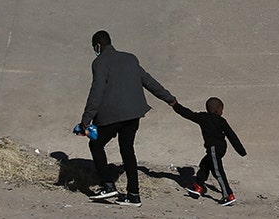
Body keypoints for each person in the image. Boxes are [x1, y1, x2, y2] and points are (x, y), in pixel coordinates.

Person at [77, 30, 176, 208]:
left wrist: (86, 120)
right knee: (128, 150)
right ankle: (133, 195)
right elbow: (148, 80)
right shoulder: (130, 58)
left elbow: (97, 91)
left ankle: (108, 185)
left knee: (96, 144)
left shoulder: (99, 62)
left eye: (94, 47)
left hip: (112, 114)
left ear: (97, 46)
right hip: (134, 114)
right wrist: (169, 98)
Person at [172, 96, 247, 206]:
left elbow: (188, 114)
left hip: (213, 149)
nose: (222, 112)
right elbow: (232, 135)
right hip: (219, 148)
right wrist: (241, 150)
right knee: (205, 164)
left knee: (218, 171)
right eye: (222, 109)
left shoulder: (203, 117)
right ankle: (198, 186)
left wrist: (176, 106)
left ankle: (228, 195)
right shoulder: (221, 121)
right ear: (217, 110)